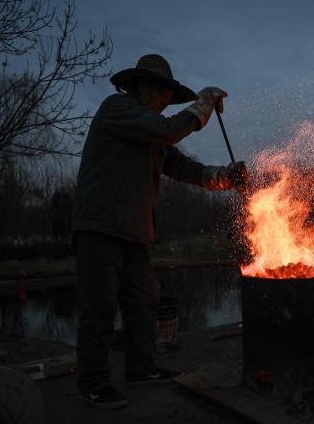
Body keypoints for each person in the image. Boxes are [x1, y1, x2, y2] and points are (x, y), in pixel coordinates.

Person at [72, 54, 247, 410]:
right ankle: (92, 381)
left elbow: (183, 168)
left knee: (142, 304)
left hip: (136, 231)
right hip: (100, 227)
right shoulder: (116, 109)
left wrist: (225, 177)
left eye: (171, 92)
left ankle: (140, 368)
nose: (167, 97)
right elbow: (168, 129)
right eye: (161, 90)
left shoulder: (154, 134)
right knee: (100, 308)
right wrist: (202, 105)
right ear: (140, 87)